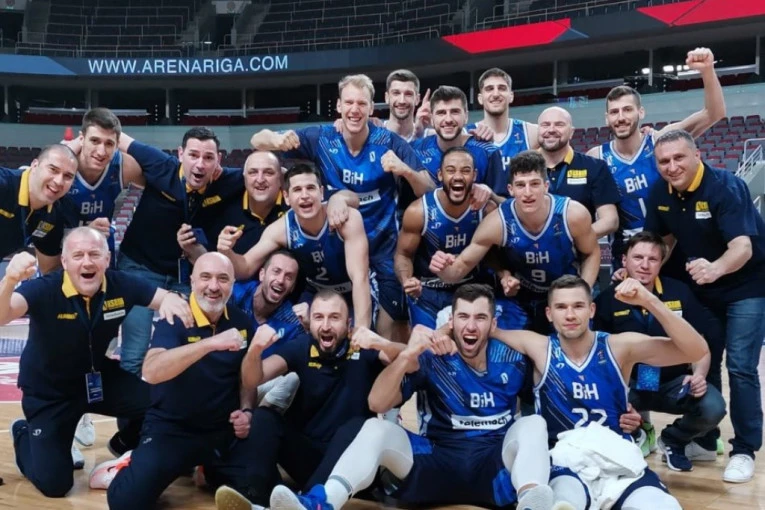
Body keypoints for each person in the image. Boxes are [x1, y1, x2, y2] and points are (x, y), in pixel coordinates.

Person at [267, 284, 561, 510]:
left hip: (492, 467)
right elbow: (376, 403)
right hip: (436, 464)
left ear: (493, 324)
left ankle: (532, 503)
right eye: (463, 317)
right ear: (452, 321)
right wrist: (408, 354)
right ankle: (321, 502)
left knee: (533, 423)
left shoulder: (513, 359)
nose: (471, 326)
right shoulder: (433, 358)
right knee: (375, 427)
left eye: (480, 318)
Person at [1, 227, 191, 498]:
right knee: (55, 485)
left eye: (94, 254)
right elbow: (3, 315)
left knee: (163, 403)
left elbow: (164, 297)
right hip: (50, 393)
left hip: (98, 379)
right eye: (78, 255)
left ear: (107, 259)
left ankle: (124, 444)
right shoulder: (44, 289)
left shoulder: (121, 284)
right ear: (64, 262)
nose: (87, 262)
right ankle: (22, 434)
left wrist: (173, 301)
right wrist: (9, 280)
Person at [490, 274, 709, 509]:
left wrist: (650, 301)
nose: (570, 315)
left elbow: (696, 350)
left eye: (578, 306)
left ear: (592, 310)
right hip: (565, 464)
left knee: (664, 506)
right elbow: (483, 332)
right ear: (549, 314)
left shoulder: (618, 347)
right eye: (561, 307)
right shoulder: (539, 347)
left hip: (617, 461)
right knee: (563, 502)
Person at [250, 73, 434, 343]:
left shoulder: (390, 143)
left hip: (383, 251)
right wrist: (276, 141)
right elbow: (257, 139)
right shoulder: (322, 138)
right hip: (337, 250)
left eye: (361, 103)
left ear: (371, 109)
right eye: (349, 102)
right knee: (323, 328)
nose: (354, 109)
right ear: (338, 105)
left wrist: (405, 170)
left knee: (387, 338)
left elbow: (429, 189)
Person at [88, 252, 257, 509]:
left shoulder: (242, 322)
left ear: (233, 284)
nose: (213, 286)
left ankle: (207, 470)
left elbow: (246, 378)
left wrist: (246, 410)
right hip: (172, 429)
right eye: (206, 277)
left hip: (220, 431)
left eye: (223, 279)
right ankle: (127, 464)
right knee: (125, 502)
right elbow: (152, 370)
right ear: (192, 281)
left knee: (259, 488)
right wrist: (210, 344)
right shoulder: (176, 317)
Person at [644, 129, 765, 483]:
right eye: (664, 161)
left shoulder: (726, 187)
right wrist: (640, 269)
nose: (671, 166)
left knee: (740, 366)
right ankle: (705, 439)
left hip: (746, 284)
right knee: (702, 358)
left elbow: (742, 247)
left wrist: (715, 269)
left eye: (678, 158)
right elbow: (661, 241)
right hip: (702, 291)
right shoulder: (660, 191)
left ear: (697, 155)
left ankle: (744, 450)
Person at [213, 290, 406, 510]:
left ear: (348, 324)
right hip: (307, 457)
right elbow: (252, 379)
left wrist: (381, 343)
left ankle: (310, 502)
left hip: (349, 468)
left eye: (334, 318)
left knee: (359, 425)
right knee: (264, 417)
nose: (326, 326)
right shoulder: (301, 346)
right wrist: (255, 350)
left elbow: (409, 358)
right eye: (319, 317)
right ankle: (258, 499)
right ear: (310, 322)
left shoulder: (363, 347)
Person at [115, 127, 243, 377]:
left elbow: (274, 174)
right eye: (193, 155)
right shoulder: (161, 164)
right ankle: (133, 403)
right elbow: (117, 136)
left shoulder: (227, 180)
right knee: (134, 354)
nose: (200, 164)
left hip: (187, 277)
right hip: (140, 269)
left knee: (190, 347)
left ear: (218, 160)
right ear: (180, 154)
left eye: (208, 157)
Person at [594, 231, 726, 471]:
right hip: (632, 385)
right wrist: (614, 394)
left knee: (713, 406)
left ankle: (674, 439)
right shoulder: (606, 299)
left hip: (674, 383)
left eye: (653, 259)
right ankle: (638, 432)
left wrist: (698, 376)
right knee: (600, 403)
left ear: (661, 263)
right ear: (624, 260)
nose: (645, 265)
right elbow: (599, 356)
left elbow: (701, 345)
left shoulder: (679, 292)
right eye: (638, 257)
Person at [430, 151, 600, 334]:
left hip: (566, 292)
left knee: (574, 340)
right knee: (497, 339)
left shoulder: (572, 214)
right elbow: (459, 268)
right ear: (510, 190)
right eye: (520, 185)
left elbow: (591, 253)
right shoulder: (498, 222)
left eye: (534, 184)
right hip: (521, 295)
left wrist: (582, 291)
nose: (528, 193)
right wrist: (444, 269)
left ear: (546, 186)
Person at [587, 47, 725, 268]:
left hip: (673, 247)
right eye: (614, 112)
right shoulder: (597, 157)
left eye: (627, 110)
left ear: (641, 112)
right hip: (627, 256)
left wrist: (707, 70)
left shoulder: (661, 141)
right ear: (606, 118)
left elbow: (714, 113)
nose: (621, 117)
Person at [218, 164, 372, 329]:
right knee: (301, 329)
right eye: (297, 190)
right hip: (316, 291)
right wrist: (227, 252)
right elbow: (245, 268)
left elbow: (360, 278)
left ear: (321, 192)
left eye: (310, 188)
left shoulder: (346, 218)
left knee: (356, 337)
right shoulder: (281, 230)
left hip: (353, 289)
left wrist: (361, 331)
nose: (305, 196)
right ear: (286, 197)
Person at [396, 146, 528, 330]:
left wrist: (504, 275)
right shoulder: (419, 211)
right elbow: (403, 254)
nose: (458, 176)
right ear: (440, 175)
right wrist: (407, 280)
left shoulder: (486, 209)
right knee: (427, 344)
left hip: (473, 288)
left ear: (474, 176)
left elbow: (490, 252)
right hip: (430, 291)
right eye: (451, 170)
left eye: (465, 171)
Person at [180, 150, 288, 263]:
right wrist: (193, 249)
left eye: (268, 173)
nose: (260, 179)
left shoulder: (293, 208)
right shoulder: (223, 209)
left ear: (280, 178)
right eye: (253, 172)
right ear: (244, 177)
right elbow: (211, 262)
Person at [410, 85, 506, 202]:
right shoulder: (415, 150)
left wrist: (490, 194)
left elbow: (506, 204)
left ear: (466, 116)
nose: (448, 119)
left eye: (455, 112)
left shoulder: (488, 152)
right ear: (431, 119)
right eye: (441, 113)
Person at [537, 106, 620, 239]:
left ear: (571, 132)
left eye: (559, 124)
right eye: (545, 125)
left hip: (579, 250)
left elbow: (610, 220)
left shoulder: (594, 167)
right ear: (538, 130)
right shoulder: (521, 167)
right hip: (530, 249)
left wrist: (574, 239)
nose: (551, 130)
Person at [0, 144, 79, 273]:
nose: (59, 181)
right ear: (35, 165)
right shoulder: (4, 184)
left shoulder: (54, 215)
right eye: (53, 170)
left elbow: (50, 269)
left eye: (68, 176)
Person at [230, 249, 305, 355]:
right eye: (276, 271)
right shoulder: (234, 294)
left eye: (289, 277)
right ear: (262, 274)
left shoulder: (293, 324)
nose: (281, 280)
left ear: (292, 287)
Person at [467, 67, 540, 171]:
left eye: (502, 88)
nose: (496, 94)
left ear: (511, 96)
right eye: (489, 89)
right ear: (480, 98)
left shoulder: (531, 133)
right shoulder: (467, 135)